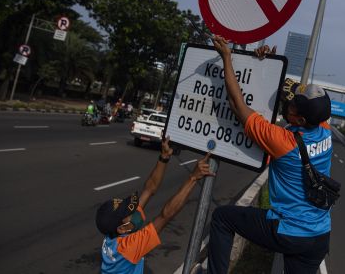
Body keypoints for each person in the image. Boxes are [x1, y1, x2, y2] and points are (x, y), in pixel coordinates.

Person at [207, 36, 332, 274]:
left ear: (300, 119)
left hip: (288, 230)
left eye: (294, 104)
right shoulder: (324, 131)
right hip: (319, 235)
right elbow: (289, 94)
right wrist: (266, 66)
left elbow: (236, 103)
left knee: (223, 218)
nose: (289, 100)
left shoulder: (282, 141)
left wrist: (226, 57)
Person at [96, 137, 214, 273]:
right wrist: (193, 178)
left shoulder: (113, 233)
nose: (135, 210)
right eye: (129, 213)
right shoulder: (128, 247)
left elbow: (149, 189)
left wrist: (164, 157)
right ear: (122, 229)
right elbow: (165, 215)